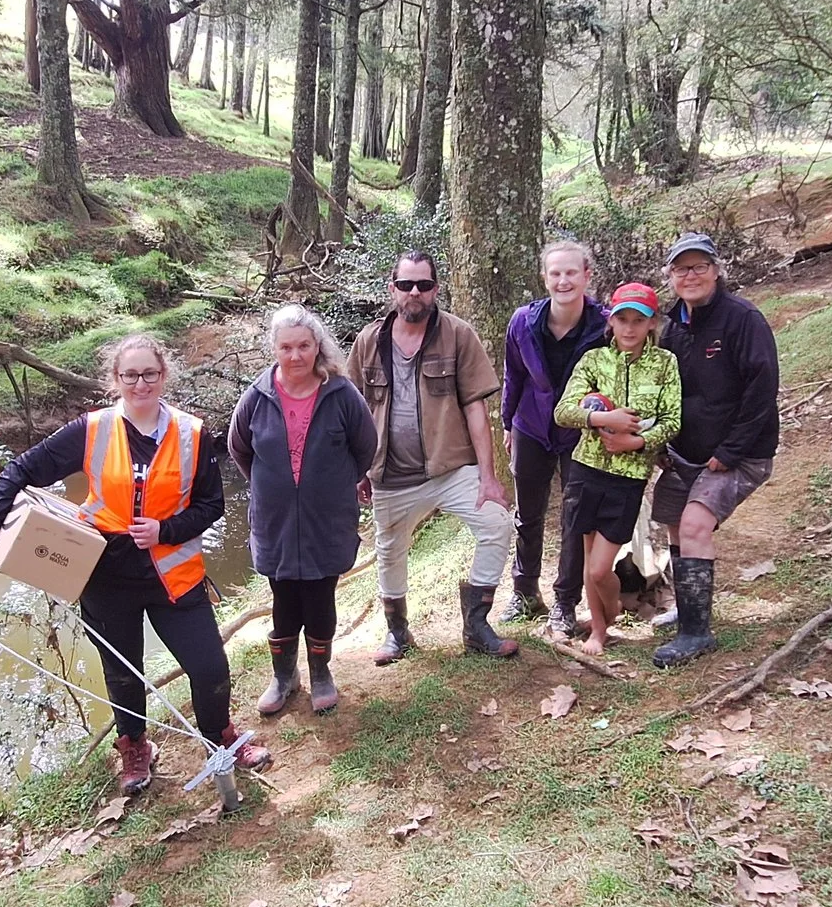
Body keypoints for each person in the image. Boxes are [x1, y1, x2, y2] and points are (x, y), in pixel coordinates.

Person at [0, 334, 270, 795]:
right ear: (115, 379)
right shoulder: (92, 429)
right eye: (130, 375)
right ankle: (135, 747)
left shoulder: (192, 433)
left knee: (209, 667)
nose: (140, 384)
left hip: (173, 575)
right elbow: (21, 470)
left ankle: (220, 738)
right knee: (123, 673)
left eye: (149, 374)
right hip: (106, 575)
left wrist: (165, 530)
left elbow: (211, 504)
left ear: (164, 375)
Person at [353, 250, 519, 661]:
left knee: (497, 523)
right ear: (392, 289)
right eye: (406, 284)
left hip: (451, 469)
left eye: (424, 285)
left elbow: (476, 410)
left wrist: (488, 476)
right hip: (389, 474)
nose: (415, 292)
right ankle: (397, 632)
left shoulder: (459, 335)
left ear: (435, 289)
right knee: (390, 550)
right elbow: (352, 411)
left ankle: (477, 626)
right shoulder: (368, 341)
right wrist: (355, 471)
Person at [228, 304, 376, 717]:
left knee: (320, 597)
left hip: (326, 520)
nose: (295, 356)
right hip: (275, 522)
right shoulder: (256, 397)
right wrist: (274, 485)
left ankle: (321, 674)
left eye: (304, 346)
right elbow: (239, 448)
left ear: (317, 346)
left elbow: (365, 446)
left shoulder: (341, 394)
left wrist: (331, 484)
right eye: (286, 347)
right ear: (274, 349)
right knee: (284, 600)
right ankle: (284, 677)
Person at [651, 232, 781, 666]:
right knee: (674, 523)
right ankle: (688, 608)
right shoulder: (673, 327)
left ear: (716, 270)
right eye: (681, 269)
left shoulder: (743, 320)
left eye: (699, 267)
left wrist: (730, 451)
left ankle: (696, 634)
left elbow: (762, 389)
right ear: (671, 276)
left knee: (694, 525)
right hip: (685, 453)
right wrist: (661, 441)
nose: (691, 276)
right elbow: (666, 392)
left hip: (738, 454)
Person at [552, 282, 680, 657]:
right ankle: (599, 629)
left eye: (638, 320)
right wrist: (604, 419)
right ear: (611, 321)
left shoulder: (665, 364)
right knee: (589, 558)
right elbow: (563, 412)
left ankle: (609, 613)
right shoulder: (594, 360)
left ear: (652, 323)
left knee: (599, 568)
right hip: (586, 470)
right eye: (622, 319)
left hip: (629, 478)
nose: (629, 328)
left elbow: (672, 421)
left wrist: (636, 442)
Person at [501, 240, 612, 637]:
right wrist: (508, 423)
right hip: (532, 425)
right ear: (544, 278)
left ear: (586, 276)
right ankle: (524, 592)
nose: (563, 281)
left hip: (581, 430)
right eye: (555, 273)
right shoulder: (523, 321)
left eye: (571, 272)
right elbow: (514, 374)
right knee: (527, 513)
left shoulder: (605, 324)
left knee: (575, 516)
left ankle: (565, 602)